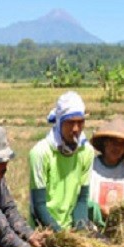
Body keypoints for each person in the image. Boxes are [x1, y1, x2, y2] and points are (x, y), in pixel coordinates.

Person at [28, 91, 95, 232]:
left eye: (80, 122)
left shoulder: (86, 151)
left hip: (70, 229)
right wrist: (60, 235)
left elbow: (82, 199)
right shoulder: (40, 153)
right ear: (59, 122)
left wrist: (80, 229)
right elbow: (39, 205)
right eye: (70, 123)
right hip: (44, 230)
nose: (76, 129)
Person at [88, 116, 124, 228]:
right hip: (89, 229)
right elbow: (80, 200)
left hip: (118, 230)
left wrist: (120, 214)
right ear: (105, 143)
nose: (116, 147)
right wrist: (99, 209)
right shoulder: (90, 167)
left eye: (121, 144)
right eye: (113, 142)